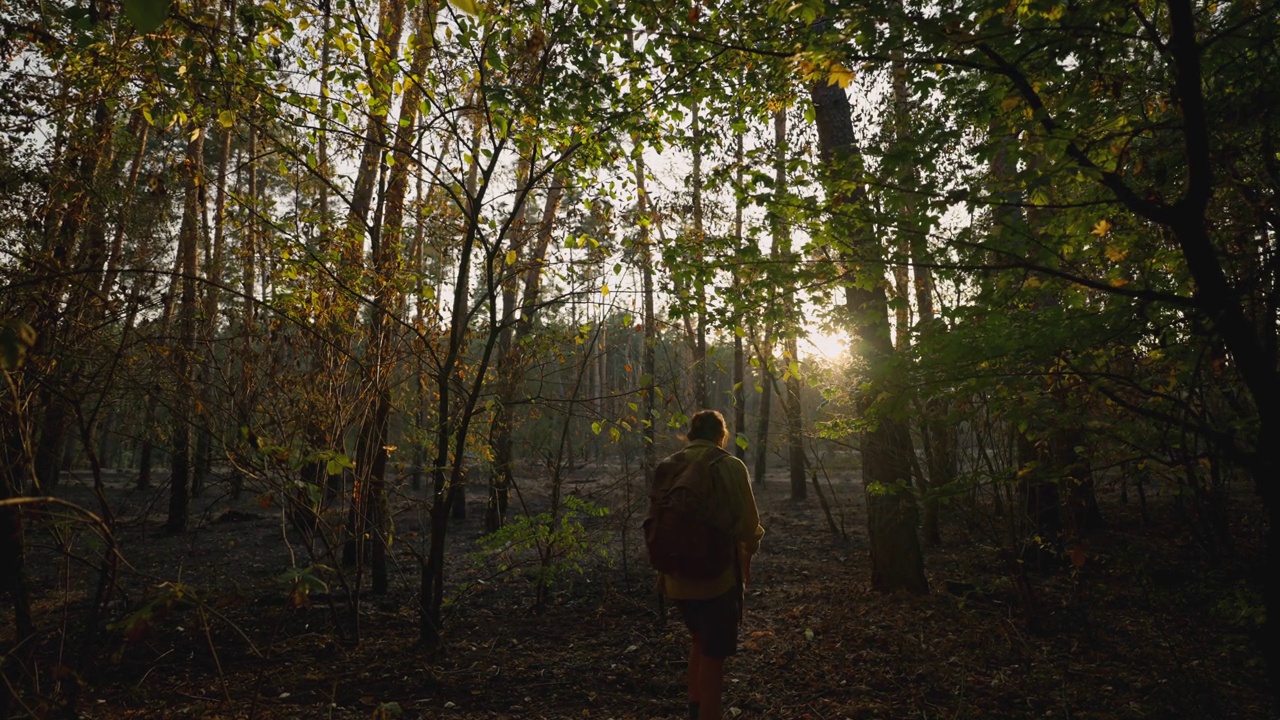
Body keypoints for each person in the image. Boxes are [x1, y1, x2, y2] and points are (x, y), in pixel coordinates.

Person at [657, 410, 764, 720]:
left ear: (690, 435)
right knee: (715, 654)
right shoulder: (731, 466)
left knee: (698, 639)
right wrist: (750, 548)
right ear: (722, 436)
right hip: (717, 579)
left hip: (674, 578)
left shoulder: (668, 466)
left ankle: (694, 707)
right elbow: (749, 526)